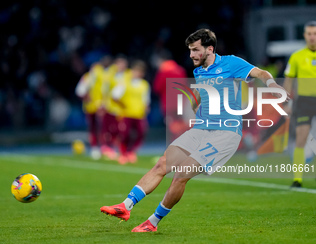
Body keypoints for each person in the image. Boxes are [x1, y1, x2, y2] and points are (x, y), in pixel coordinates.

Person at [100, 28, 288, 232]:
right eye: (190, 50)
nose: (191, 55)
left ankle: (152, 222)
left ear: (210, 49)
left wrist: (273, 85)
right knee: (162, 164)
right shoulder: (199, 71)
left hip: (225, 134)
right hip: (200, 129)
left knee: (181, 174)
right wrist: (194, 102)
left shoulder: (231, 63)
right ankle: (125, 206)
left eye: (195, 50)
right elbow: (201, 93)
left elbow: (260, 72)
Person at [283, 21, 316, 188]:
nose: (312, 37)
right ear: (305, 36)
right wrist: (286, 102)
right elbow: (288, 80)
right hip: (304, 101)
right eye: (309, 34)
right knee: (301, 139)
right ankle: (298, 179)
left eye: (315, 34)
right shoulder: (297, 56)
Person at [111, 60, 150, 164]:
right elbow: (114, 95)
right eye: (136, 71)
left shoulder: (144, 84)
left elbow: (145, 99)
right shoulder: (125, 83)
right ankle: (123, 153)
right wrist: (122, 105)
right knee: (125, 134)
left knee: (141, 133)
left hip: (139, 114)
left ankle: (131, 151)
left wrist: (146, 108)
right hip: (126, 113)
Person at [101, 55, 130, 160]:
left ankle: (123, 150)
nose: (121, 66)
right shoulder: (110, 76)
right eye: (119, 63)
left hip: (124, 108)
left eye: (123, 63)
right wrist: (103, 104)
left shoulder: (128, 75)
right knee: (110, 129)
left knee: (123, 131)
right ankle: (109, 148)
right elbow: (105, 91)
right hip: (112, 108)